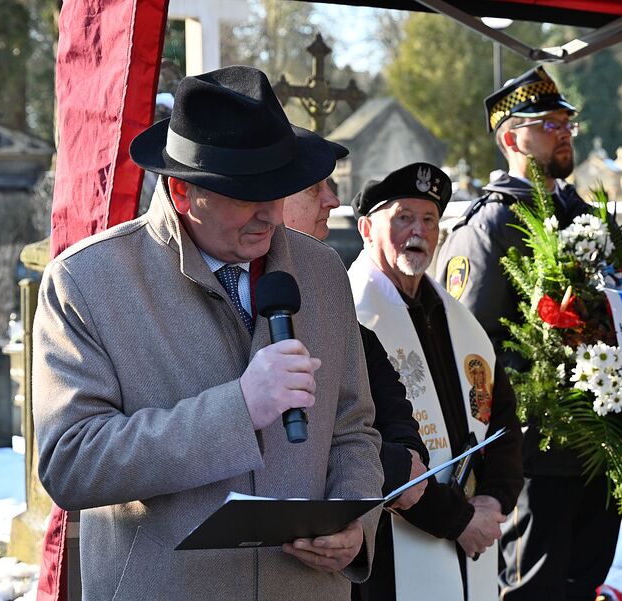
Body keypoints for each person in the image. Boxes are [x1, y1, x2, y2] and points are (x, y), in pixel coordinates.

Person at [32, 65, 383, 601]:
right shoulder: (87, 282)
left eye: (279, 189)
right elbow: (72, 462)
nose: (270, 215)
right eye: (247, 195)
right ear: (180, 191)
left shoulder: (322, 271)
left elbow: (354, 427)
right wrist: (238, 410)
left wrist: (355, 523)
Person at [435, 66, 622, 601]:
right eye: (549, 122)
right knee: (534, 590)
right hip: (535, 451)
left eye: (568, 122)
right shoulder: (491, 224)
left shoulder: (581, 214)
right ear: (513, 137)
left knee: (585, 578)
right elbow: (466, 345)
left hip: (594, 441)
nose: (564, 131)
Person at [347, 162, 524, 600]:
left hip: (471, 534)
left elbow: (500, 417)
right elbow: (368, 447)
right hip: (387, 550)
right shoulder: (351, 315)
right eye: (403, 217)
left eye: (429, 219)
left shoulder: (456, 317)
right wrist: (457, 520)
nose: (419, 231)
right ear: (367, 228)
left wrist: (495, 499)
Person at [282, 173, 431, 600]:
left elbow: (394, 427)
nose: (333, 199)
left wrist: (362, 517)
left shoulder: (334, 303)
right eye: (314, 186)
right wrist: (390, 466)